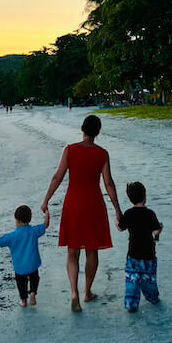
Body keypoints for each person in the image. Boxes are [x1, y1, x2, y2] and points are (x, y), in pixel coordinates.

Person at [41, 114, 121, 312]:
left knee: (72, 250)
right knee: (92, 250)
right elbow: (108, 183)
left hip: (74, 202)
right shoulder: (102, 153)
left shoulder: (70, 150)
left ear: (82, 129)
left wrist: (46, 200)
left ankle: (74, 292)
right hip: (94, 203)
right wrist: (118, 209)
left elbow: (57, 177)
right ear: (98, 132)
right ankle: (87, 292)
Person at [0, 204, 50, 307]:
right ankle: (33, 292)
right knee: (34, 278)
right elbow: (45, 224)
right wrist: (47, 213)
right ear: (29, 219)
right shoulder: (34, 231)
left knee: (21, 283)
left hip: (20, 267)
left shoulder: (12, 236)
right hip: (33, 264)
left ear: (18, 221)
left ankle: (24, 300)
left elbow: (0, 241)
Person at [117, 181, 163, 312]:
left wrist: (117, 221)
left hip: (133, 255)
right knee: (149, 280)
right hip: (148, 255)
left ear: (130, 199)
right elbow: (156, 231)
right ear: (144, 196)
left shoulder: (128, 213)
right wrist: (161, 228)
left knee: (132, 281)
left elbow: (120, 228)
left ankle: (131, 304)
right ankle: (153, 298)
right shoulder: (150, 214)